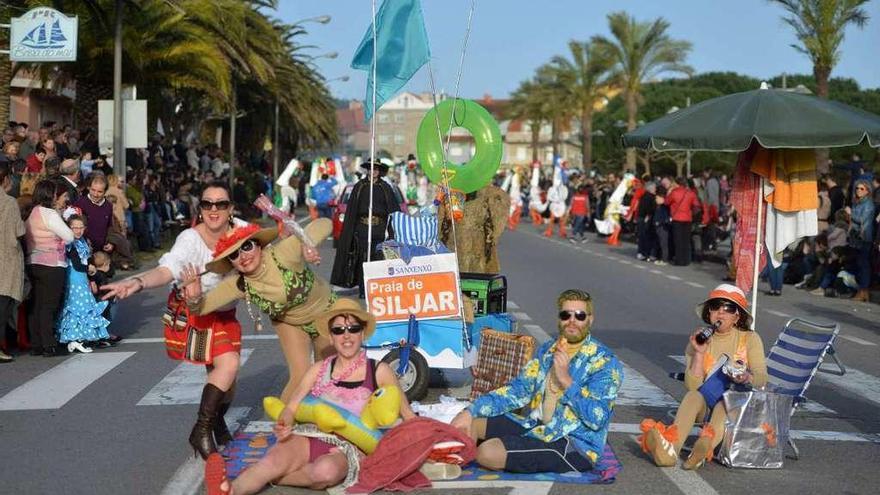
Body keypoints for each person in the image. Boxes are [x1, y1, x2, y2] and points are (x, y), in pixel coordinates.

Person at [203, 297, 416, 495]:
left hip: (348, 446)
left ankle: (277, 478)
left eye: (353, 328)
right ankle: (229, 490)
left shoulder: (379, 371)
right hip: (309, 435)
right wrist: (284, 422)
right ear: (331, 336)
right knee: (271, 462)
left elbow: (408, 415)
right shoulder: (319, 369)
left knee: (324, 473)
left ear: (363, 333)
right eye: (339, 330)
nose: (347, 335)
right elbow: (291, 407)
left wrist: (431, 442)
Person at [101, 181, 248, 459]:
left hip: (226, 311)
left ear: (231, 209)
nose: (213, 210)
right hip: (196, 309)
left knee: (227, 383)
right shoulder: (189, 239)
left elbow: (262, 257)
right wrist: (138, 282)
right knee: (227, 363)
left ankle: (215, 421)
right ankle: (201, 430)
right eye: (207, 204)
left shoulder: (242, 232)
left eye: (221, 204)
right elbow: (167, 269)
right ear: (200, 209)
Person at [450, 289, 622, 474]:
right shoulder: (549, 350)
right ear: (559, 318)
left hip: (572, 442)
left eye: (579, 315)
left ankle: (459, 459)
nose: (572, 321)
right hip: (537, 426)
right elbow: (518, 391)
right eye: (566, 315)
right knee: (469, 422)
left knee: (487, 452)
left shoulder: (605, 362)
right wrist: (471, 410)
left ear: (590, 319)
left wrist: (566, 380)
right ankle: (450, 463)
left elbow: (598, 418)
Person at [180, 218, 333, 405]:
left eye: (247, 246)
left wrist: (307, 244)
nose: (243, 257)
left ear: (259, 245)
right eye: (234, 255)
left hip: (324, 312)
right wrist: (194, 297)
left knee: (327, 371)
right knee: (301, 376)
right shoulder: (239, 283)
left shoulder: (283, 253)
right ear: (231, 263)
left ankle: (327, 419)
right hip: (290, 323)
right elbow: (201, 308)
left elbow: (324, 223)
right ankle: (284, 424)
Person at [640, 284, 766, 470]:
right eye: (715, 306)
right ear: (709, 312)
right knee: (693, 396)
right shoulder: (700, 338)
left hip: (735, 402)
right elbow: (693, 386)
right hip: (705, 401)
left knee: (726, 403)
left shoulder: (750, 338)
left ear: (737, 316)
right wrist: (699, 353)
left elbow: (762, 377)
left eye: (728, 308)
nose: (720, 313)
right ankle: (670, 451)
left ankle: (702, 449)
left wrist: (746, 377)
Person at [330, 160, 401, 296]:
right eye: (371, 169)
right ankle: (363, 289)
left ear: (379, 171)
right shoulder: (359, 186)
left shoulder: (385, 187)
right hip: (362, 228)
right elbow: (352, 209)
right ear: (367, 170)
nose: (373, 171)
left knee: (376, 257)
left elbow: (393, 210)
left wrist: (392, 231)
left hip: (379, 229)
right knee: (362, 258)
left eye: (376, 169)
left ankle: (375, 287)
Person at [24, 179, 73, 357]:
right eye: (54, 193)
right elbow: (68, 236)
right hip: (52, 263)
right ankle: (49, 344)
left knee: (36, 305)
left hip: (33, 261)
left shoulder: (32, 212)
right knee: (49, 305)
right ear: (49, 195)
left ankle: (36, 343)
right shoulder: (50, 214)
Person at [56, 213, 110, 353]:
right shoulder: (70, 243)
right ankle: (75, 338)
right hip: (74, 279)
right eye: (75, 228)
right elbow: (77, 264)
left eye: (81, 227)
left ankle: (80, 337)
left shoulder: (83, 241)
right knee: (77, 307)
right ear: (69, 228)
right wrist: (90, 269)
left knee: (85, 306)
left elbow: (87, 260)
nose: (78, 231)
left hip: (83, 278)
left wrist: (91, 277)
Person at [0, 163, 25, 362]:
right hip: (6, 259)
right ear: (6, 179)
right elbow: (19, 231)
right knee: (3, 307)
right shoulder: (9, 202)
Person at [847, 179, 875, 302]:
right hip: (855, 238)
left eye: (862, 189)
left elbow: (862, 220)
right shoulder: (857, 202)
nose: (858, 191)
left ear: (868, 191)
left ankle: (863, 291)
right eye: (857, 188)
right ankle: (861, 290)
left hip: (864, 238)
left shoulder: (868, 204)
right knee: (859, 264)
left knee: (864, 265)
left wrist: (850, 214)